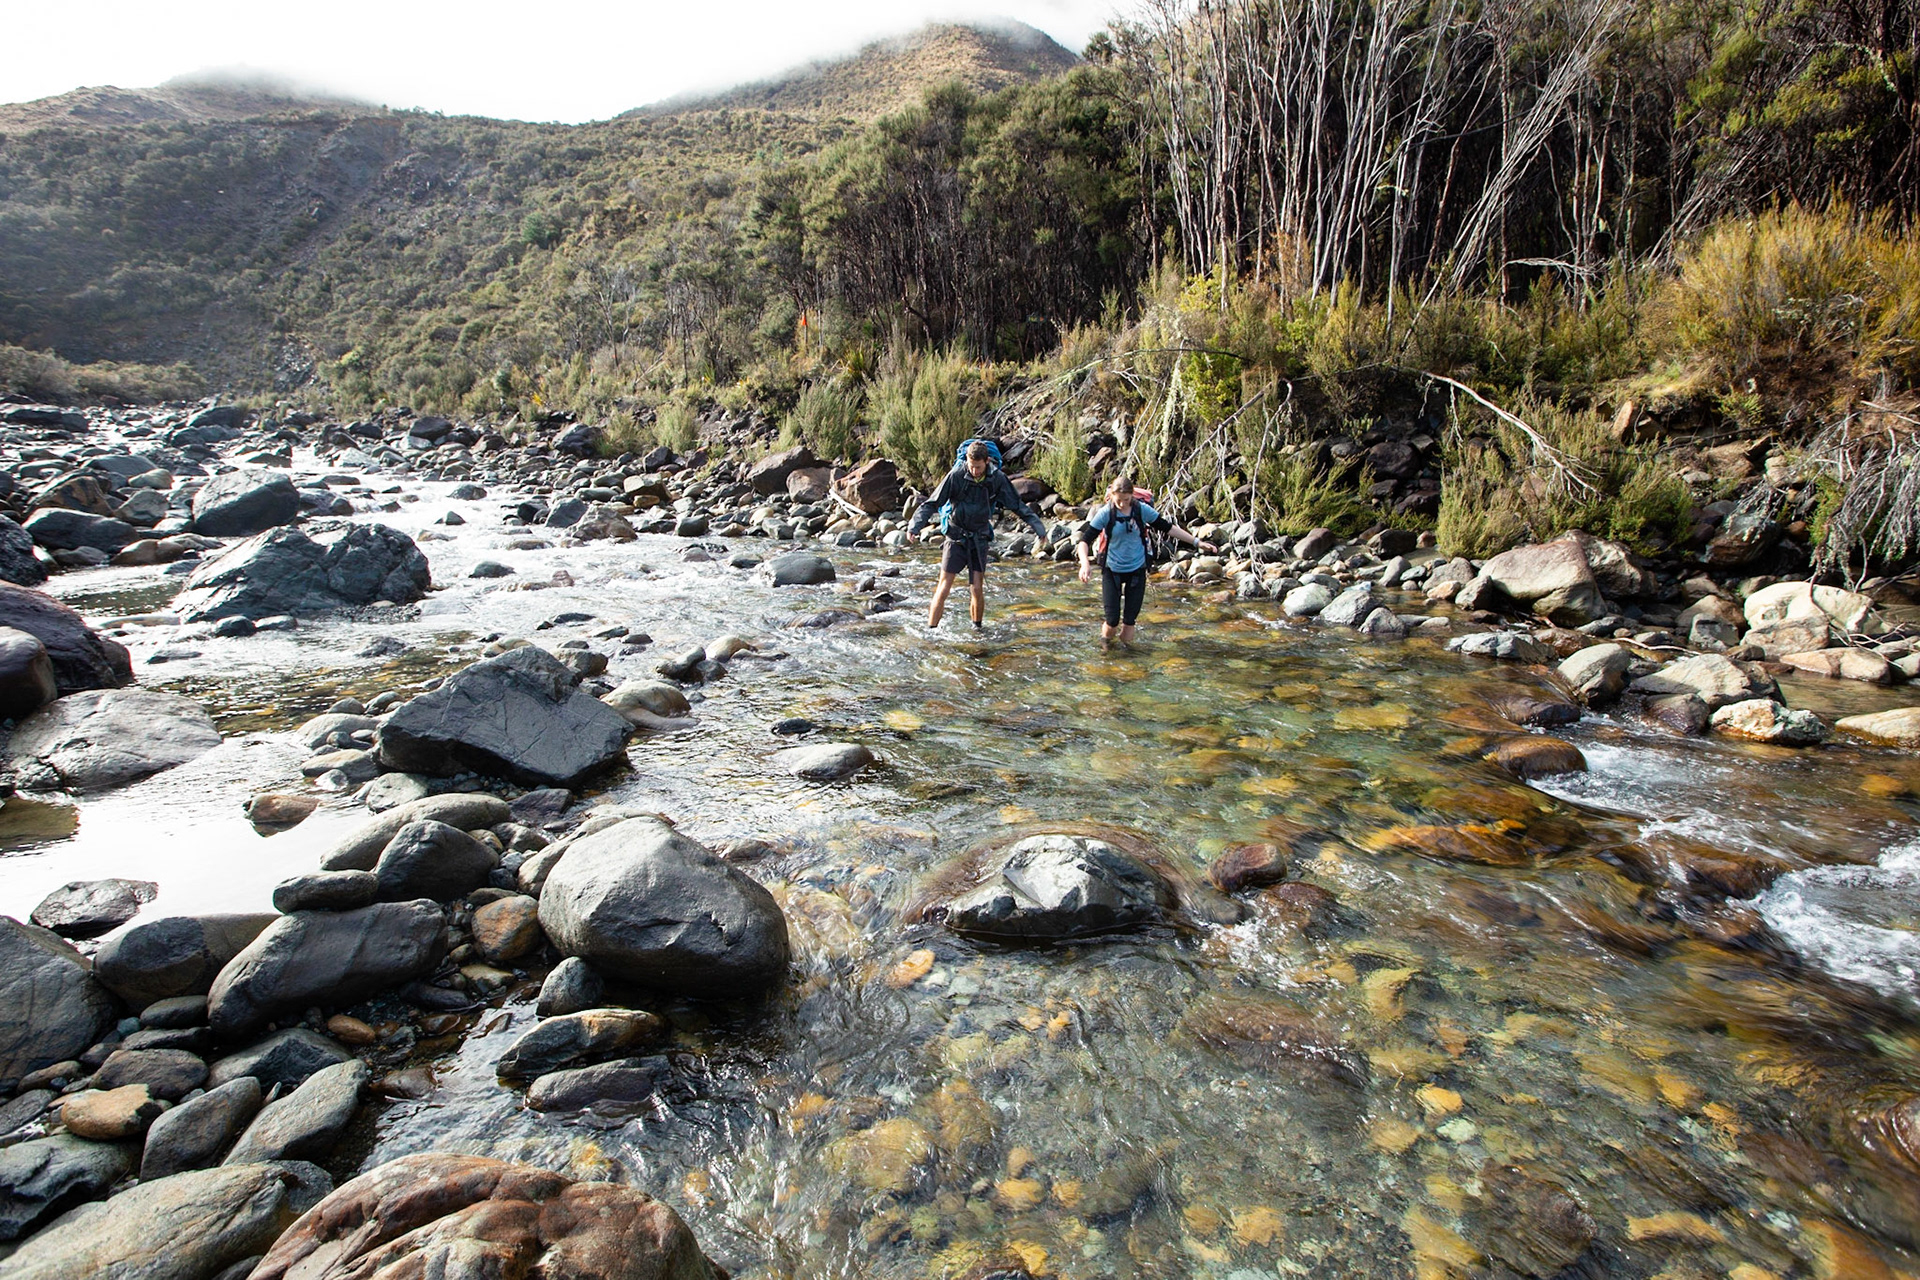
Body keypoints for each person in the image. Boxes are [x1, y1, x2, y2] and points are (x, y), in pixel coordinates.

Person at [906, 440, 1049, 629]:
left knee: (977, 587)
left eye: (978, 467)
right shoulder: (956, 475)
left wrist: (1039, 528)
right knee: (944, 586)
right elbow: (932, 502)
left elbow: (1017, 506)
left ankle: (977, 629)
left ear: (987, 461)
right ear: (966, 460)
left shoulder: (997, 478)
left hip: (979, 537)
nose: (974, 471)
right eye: (971, 466)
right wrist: (914, 526)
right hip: (956, 536)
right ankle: (931, 630)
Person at [1075, 475, 1216, 648]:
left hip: (1137, 569)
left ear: (1132, 496)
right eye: (1118, 500)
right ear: (1111, 496)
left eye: (1126, 500)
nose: (1122, 504)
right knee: (1112, 621)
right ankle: (1106, 649)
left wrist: (1196, 542)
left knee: (1129, 621)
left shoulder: (1141, 510)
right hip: (1112, 570)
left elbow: (1168, 528)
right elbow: (1084, 541)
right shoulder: (1106, 513)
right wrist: (1085, 564)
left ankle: (1127, 656)